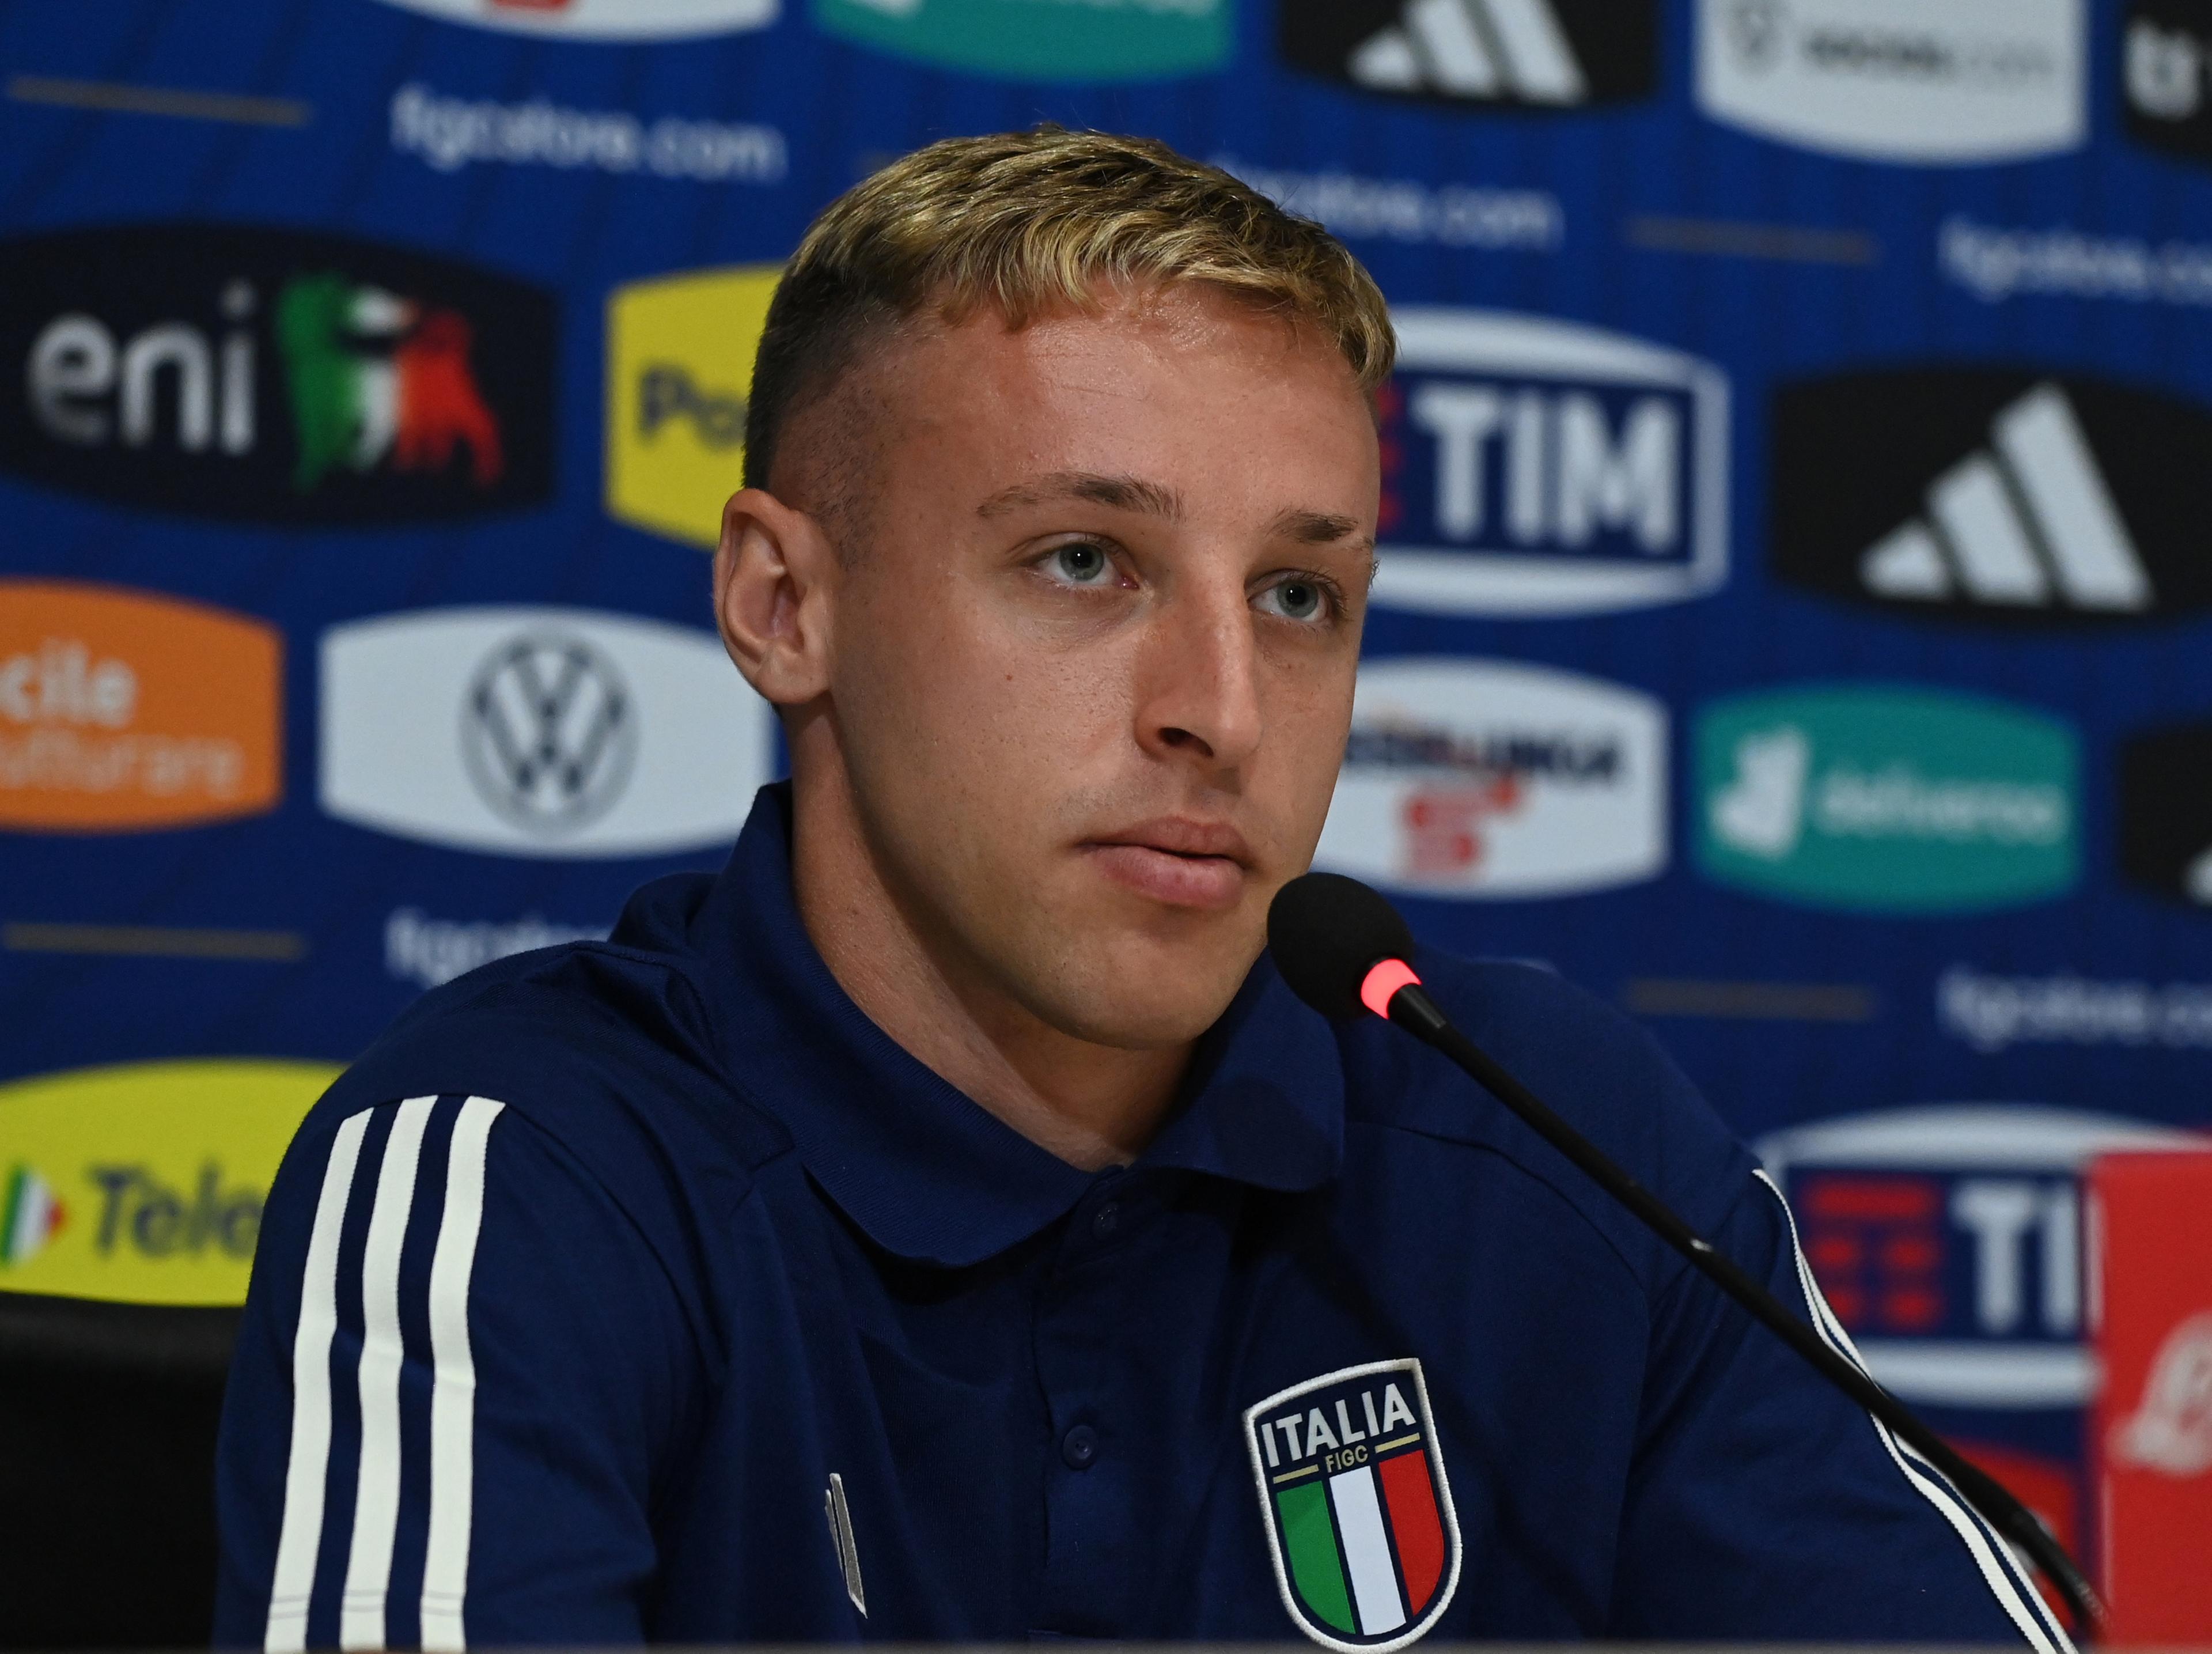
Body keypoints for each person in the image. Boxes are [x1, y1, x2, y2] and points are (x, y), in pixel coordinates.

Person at [215, 128, 2071, 1652]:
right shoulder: (520, 1167)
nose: (1222, 712)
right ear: (788, 607)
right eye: (1085, 560)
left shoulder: (1554, 1155)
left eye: (1299, 596)